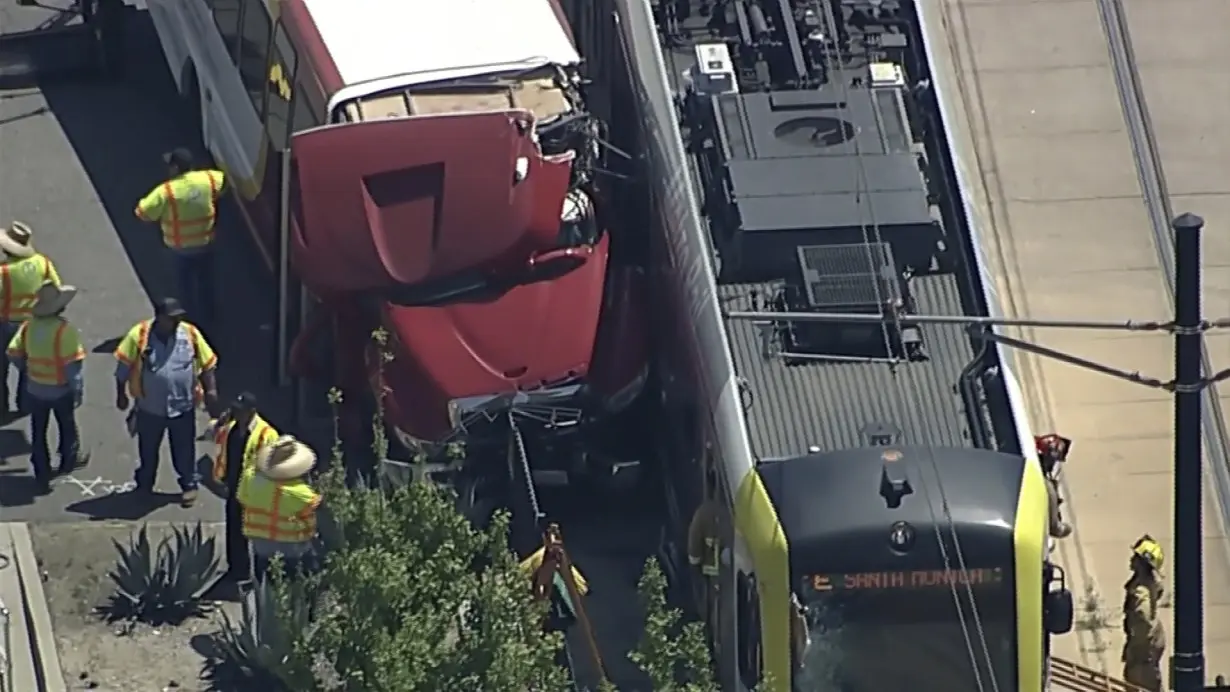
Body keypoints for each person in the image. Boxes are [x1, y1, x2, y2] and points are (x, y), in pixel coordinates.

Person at [114, 297, 220, 507]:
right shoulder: (140, 335)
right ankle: (145, 485)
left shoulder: (190, 333)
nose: (176, 321)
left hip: (182, 406)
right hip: (149, 407)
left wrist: (212, 390)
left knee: (184, 449)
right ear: (160, 317)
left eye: (178, 317)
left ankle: (189, 485)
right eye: (172, 318)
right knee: (148, 450)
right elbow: (123, 366)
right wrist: (121, 394)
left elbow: (208, 363)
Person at [5, 282, 84, 493]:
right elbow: (72, 367)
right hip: (60, 389)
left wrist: (27, 368)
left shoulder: (28, 326)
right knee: (66, 425)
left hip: (35, 388)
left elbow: (13, 353)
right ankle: (68, 460)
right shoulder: (64, 330)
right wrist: (77, 390)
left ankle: (41, 470)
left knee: (38, 431)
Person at [133, 148, 226, 324]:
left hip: (180, 248)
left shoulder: (166, 191)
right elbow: (225, 184)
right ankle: (211, 315)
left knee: (186, 285)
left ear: (175, 168)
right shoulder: (209, 179)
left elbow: (142, 212)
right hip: (206, 243)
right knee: (206, 281)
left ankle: (190, 319)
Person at [212, 392, 279, 585]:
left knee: (256, 533)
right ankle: (237, 570)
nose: (237, 414)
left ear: (252, 411)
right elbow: (213, 436)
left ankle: (259, 575)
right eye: (235, 410)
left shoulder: (267, 434)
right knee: (234, 530)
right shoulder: (231, 428)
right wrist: (220, 422)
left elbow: (272, 465)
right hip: (235, 487)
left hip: (256, 493)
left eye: (241, 411)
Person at [238, 435, 322, 583]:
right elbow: (318, 515)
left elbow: (241, 498)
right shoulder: (300, 493)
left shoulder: (249, 477)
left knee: (264, 584)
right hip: (293, 550)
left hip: (260, 546)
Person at [0, 221, 61, 415]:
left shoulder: (3, 272)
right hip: (32, 323)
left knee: (2, 367)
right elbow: (56, 288)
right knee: (28, 367)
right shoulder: (43, 262)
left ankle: (1, 406)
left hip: (6, 323)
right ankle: (24, 404)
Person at [1122, 534, 1166, 692]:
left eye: (1136, 556)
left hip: (1143, 649)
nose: (1131, 559)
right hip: (1152, 642)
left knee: (1138, 684)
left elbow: (1143, 618)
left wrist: (1136, 646)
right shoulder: (1148, 582)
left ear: (1142, 563)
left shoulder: (1141, 592)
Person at [687, 467, 723, 619]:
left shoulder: (704, 512)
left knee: (713, 612)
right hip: (737, 577)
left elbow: (694, 550)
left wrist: (694, 563)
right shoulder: (737, 511)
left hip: (711, 577)